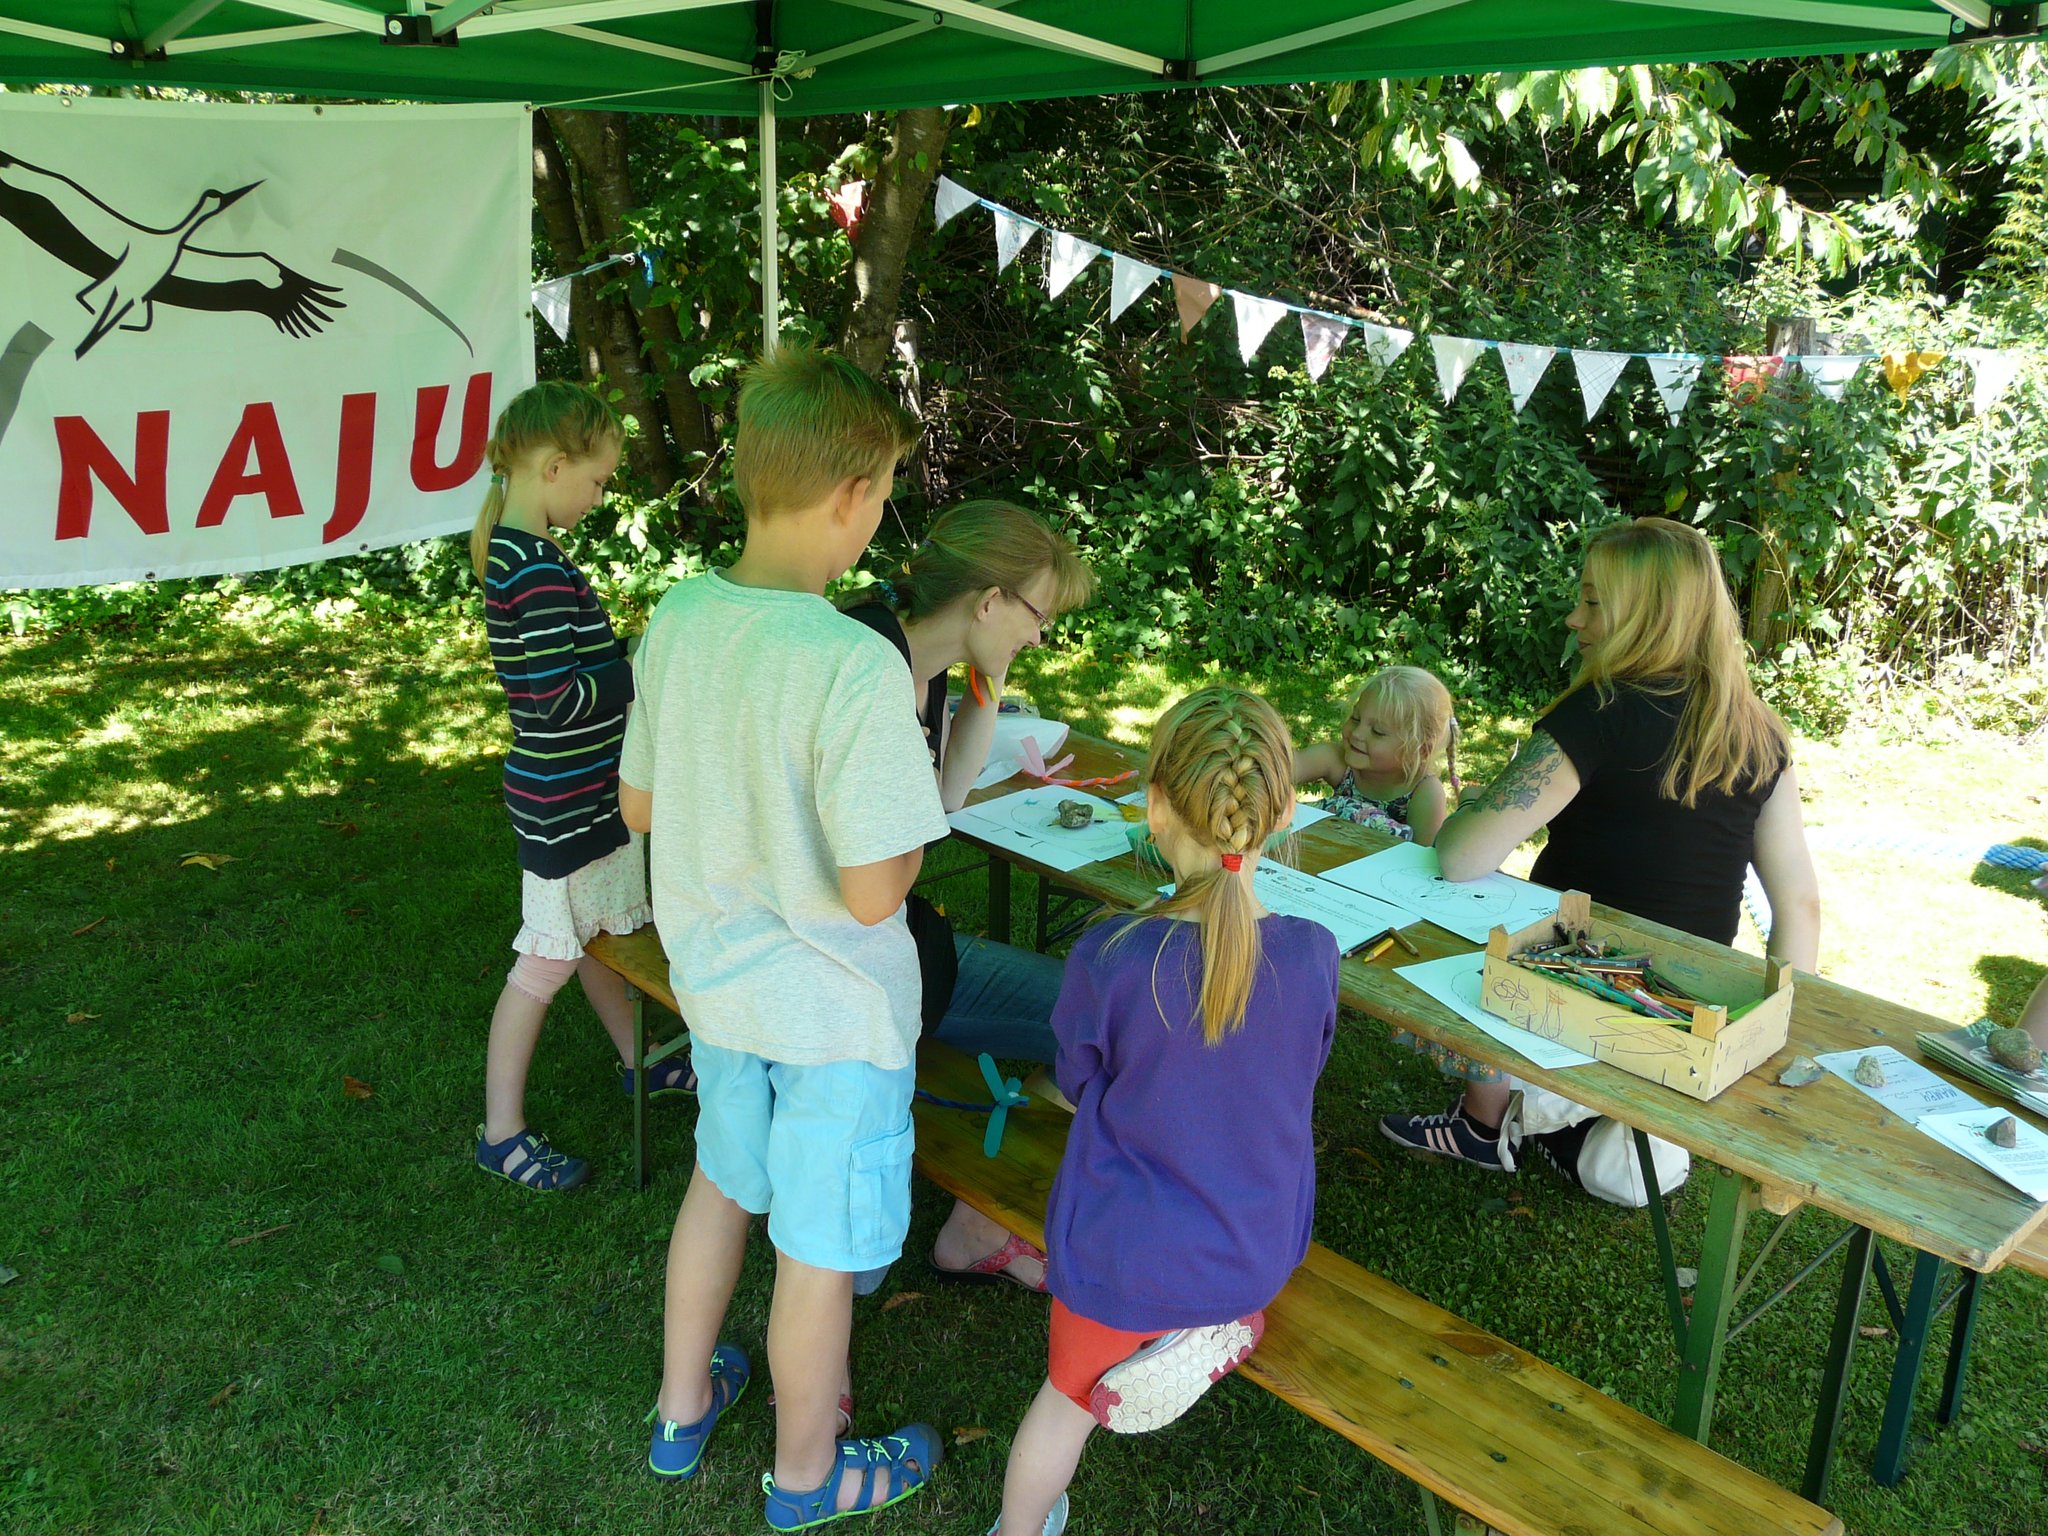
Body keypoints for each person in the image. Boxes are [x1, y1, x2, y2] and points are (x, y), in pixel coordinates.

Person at [621, 348, 945, 1528]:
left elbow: (642, 808)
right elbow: (874, 894)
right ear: (853, 496)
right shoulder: (854, 663)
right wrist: (917, 818)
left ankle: (678, 1408)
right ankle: (808, 1477)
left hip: (718, 995)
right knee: (815, 1247)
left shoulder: (681, 617)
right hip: (835, 1016)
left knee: (721, 1183)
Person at [989, 687, 1340, 1536]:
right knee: (1221, 1274)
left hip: (1118, 1262)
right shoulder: (1316, 954)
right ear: (1285, 814)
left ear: (1152, 808)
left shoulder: (1112, 955)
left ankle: (1017, 1528)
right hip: (1256, 1251)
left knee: (1065, 1401)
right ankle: (1220, 1321)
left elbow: (1075, 1084)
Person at [1379, 516, 1822, 1172]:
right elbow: (1801, 908)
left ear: (1646, 615)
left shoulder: (1598, 713)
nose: (1572, 618)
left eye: (1591, 600)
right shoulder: (1758, 732)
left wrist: (1473, 807)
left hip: (1575, 988)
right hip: (1682, 1010)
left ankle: (1485, 1122)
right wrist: (1770, 1036)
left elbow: (1460, 856)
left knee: (1439, 945)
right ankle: (1576, 1128)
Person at [840, 500, 1095, 1293]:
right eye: (1037, 615)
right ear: (989, 600)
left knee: (1098, 1010)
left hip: (913, 955)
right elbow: (875, 874)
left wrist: (991, 689)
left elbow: (941, 802)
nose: (1039, 634)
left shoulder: (923, 663)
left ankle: (980, 1218)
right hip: (860, 977)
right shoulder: (865, 659)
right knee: (861, 1269)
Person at [470, 380, 688, 1194]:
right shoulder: (527, 569)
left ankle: (638, 1063)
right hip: (562, 800)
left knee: (600, 930)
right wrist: (636, 671)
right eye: (597, 481)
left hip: (588, 792)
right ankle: (502, 1133)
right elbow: (556, 700)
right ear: (555, 466)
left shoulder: (531, 555)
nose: (600, 496)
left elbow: (567, 672)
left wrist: (627, 650)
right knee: (546, 960)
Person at [1293, 664, 1460, 846]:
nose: (1357, 734)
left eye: (1378, 731)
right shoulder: (1337, 759)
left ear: (1419, 750)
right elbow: (1278, 770)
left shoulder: (1424, 792)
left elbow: (1423, 860)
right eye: (1356, 719)